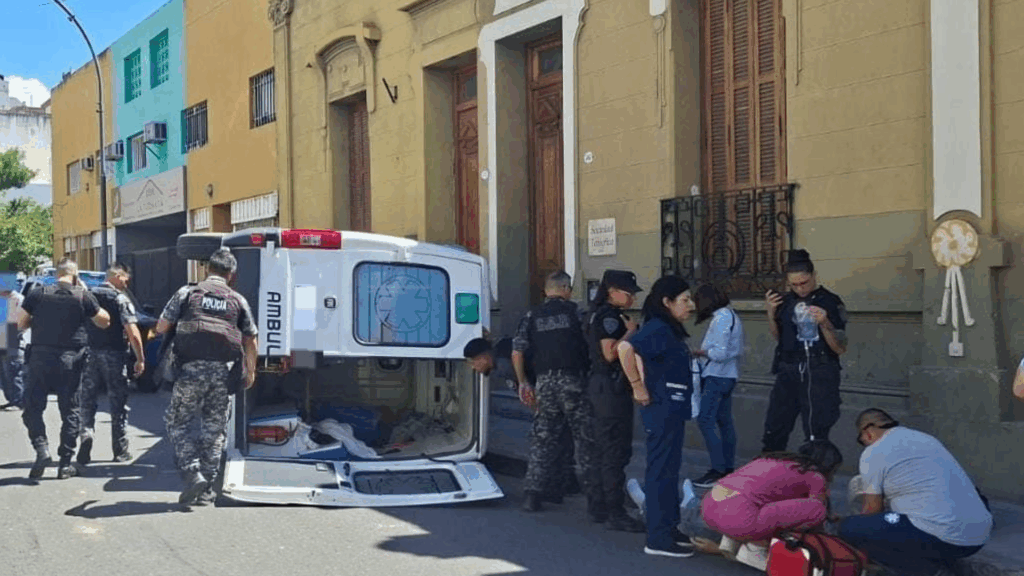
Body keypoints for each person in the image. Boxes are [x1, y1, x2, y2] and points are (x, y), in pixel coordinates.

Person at [156, 248, 258, 506]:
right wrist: (251, 370)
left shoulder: (187, 293)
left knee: (178, 423)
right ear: (231, 275)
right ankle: (206, 489)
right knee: (214, 431)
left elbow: (161, 326)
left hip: (190, 371)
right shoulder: (237, 300)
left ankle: (192, 473)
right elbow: (250, 339)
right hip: (222, 374)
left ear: (207, 269)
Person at [837, 409, 992, 576]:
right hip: (978, 536)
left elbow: (872, 510)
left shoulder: (873, 452)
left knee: (850, 528)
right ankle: (947, 564)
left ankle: (930, 572)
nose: (864, 445)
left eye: (861, 440)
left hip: (939, 535)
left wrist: (854, 520)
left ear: (868, 431)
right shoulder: (926, 439)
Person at [618, 275, 697, 558]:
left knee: (669, 470)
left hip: (672, 409)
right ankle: (658, 537)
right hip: (661, 409)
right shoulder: (658, 328)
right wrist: (638, 387)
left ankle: (669, 527)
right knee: (661, 472)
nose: (691, 305)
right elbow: (625, 348)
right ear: (667, 302)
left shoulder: (668, 330)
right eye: (685, 300)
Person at [16, 258, 110, 479]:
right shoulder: (82, 295)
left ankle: (41, 448)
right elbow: (104, 321)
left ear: (56, 274)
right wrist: (87, 294)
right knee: (70, 411)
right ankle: (65, 464)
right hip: (71, 360)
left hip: (40, 358)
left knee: (32, 407)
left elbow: (20, 323)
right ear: (75, 276)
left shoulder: (38, 294)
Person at [512, 270, 597, 513]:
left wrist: (523, 383)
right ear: (566, 289)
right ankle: (595, 499)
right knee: (585, 440)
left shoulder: (531, 315)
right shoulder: (577, 312)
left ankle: (532, 495)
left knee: (543, 439)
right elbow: (591, 345)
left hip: (544, 383)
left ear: (546, 290)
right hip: (574, 382)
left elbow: (517, 351)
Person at [464, 336, 582, 499]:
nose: (474, 368)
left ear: (484, 357)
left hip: (552, 391)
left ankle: (538, 490)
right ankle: (566, 481)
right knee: (561, 436)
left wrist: (539, 412)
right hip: (560, 387)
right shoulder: (503, 353)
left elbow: (529, 394)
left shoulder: (504, 366)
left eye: (473, 363)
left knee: (544, 441)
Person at [762, 249, 848, 452]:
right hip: (788, 368)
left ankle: (814, 476)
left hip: (819, 370)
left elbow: (840, 347)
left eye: (804, 283)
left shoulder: (830, 301)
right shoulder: (785, 301)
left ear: (814, 276)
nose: (800, 289)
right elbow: (780, 339)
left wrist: (825, 322)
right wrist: (770, 313)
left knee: (816, 432)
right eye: (794, 285)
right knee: (775, 427)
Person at [699, 440, 843, 559]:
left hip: (709, 507)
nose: (832, 477)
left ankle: (732, 545)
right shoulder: (814, 474)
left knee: (758, 504)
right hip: (740, 521)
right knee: (817, 509)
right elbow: (816, 517)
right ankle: (753, 552)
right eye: (833, 471)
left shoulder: (771, 458)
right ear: (827, 466)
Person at [586, 269, 644, 532]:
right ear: (612, 292)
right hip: (609, 389)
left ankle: (598, 505)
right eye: (628, 293)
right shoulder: (610, 317)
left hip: (601, 387)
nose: (632, 298)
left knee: (602, 449)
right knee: (614, 450)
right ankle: (614, 511)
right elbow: (610, 353)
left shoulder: (596, 313)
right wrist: (630, 332)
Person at [78, 263, 146, 465]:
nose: (127, 283)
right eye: (125, 278)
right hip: (114, 355)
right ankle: (120, 450)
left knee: (87, 400)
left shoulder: (87, 296)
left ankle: (86, 434)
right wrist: (140, 359)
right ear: (116, 276)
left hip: (89, 353)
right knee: (118, 404)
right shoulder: (119, 298)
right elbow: (132, 332)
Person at [691, 283, 744, 488]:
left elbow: (719, 354)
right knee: (724, 422)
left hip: (716, 376)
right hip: (728, 376)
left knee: (706, 420)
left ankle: (717, 469)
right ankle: (727, 468)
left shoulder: (721, 318)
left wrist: (700, 352)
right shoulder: (731, 316)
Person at [1, 283, 26, 410]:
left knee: (14, 372)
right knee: (4, 374)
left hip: (12, 342)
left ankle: (18, 402)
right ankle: (11, 399)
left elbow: (23, 322)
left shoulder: (18, 300)